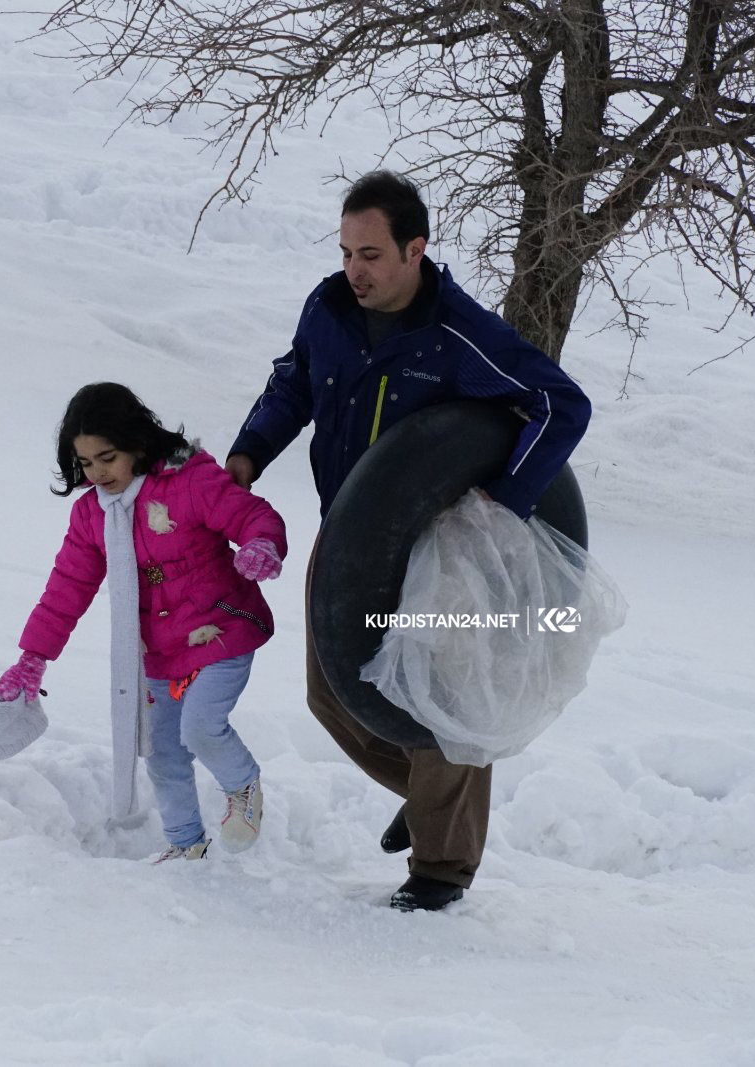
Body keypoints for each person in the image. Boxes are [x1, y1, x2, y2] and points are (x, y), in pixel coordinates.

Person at [225, 171, 592, 910]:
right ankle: (429, 791)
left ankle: (441, 869)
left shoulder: (457, 334)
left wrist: (506, 499)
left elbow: (562, 405)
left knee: (443, 700)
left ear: (415, 248)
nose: (354, 270)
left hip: (440, 553)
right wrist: (248, 453)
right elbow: (294, 381)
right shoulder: (328, 309)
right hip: (350, 534)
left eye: (371, 254)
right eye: (346, 251)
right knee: (334, 694)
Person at [0, 382, 289, 863]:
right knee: (161, 750)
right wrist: (34, 657)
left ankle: (243, 787)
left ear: (135, 442)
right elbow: (66, 588)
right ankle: (184, 844)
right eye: (85, 463)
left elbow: (251, 514)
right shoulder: (93, 516)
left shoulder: (189, 480)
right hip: (158, 649)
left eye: (107, 457)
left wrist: (261, 544)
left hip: (222, 628)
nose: (97, 473)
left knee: (201, 726)